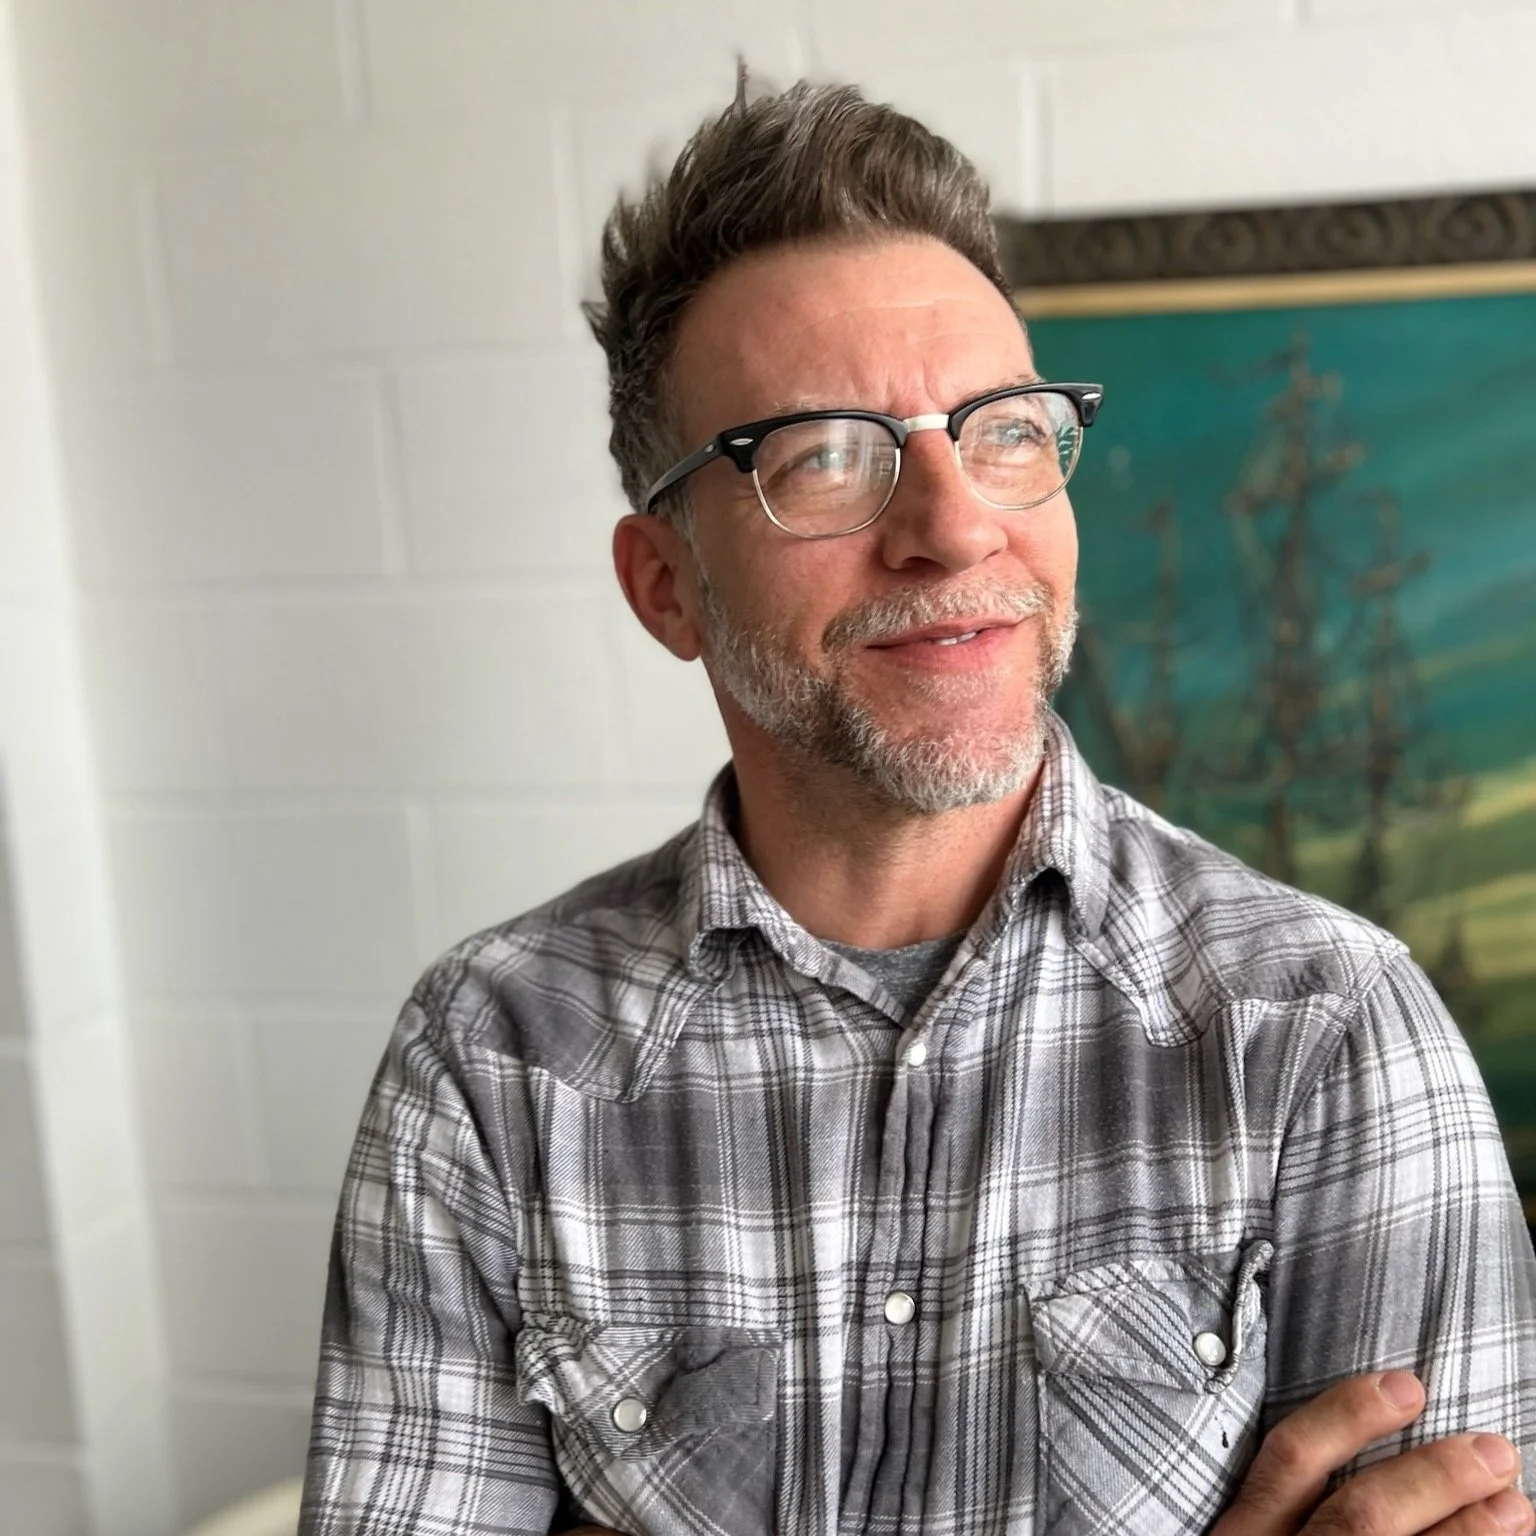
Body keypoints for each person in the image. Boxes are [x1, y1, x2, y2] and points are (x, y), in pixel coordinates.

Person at [299, 77, 1536, 1535]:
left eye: (1004, 431)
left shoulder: (1329, 1036)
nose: (954, 526)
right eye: (827, 454)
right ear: (666, 585)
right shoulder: (494, 1068)